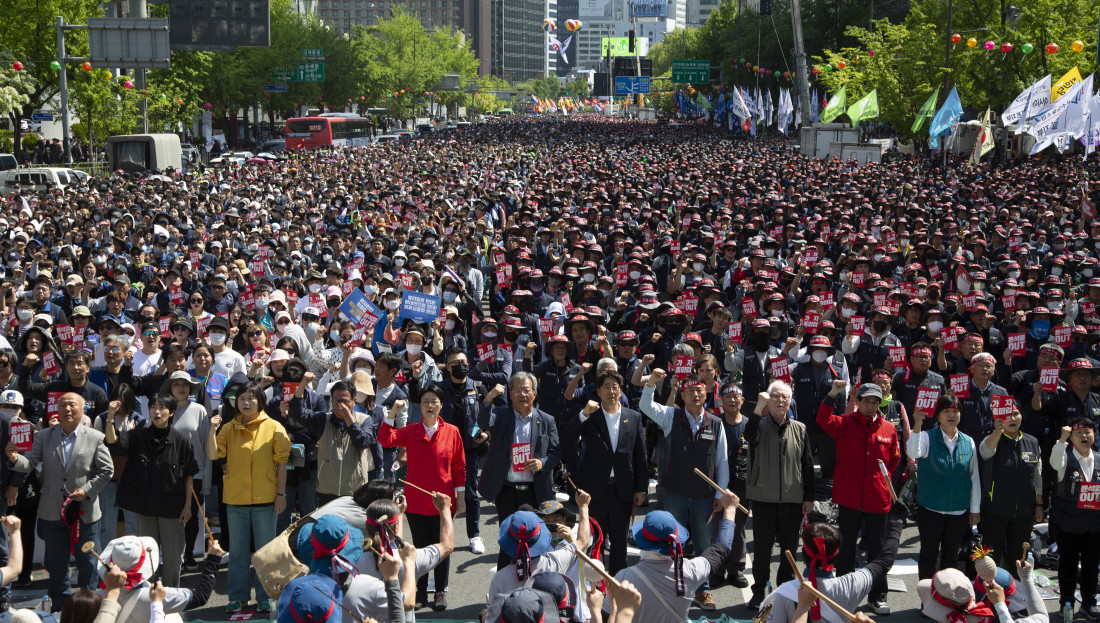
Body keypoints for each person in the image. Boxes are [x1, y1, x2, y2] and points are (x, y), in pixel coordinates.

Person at [6, 392, 113, 612]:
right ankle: (59, 608)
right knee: (56, 564)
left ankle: (89, 607)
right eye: (62, 405)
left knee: (87, 564)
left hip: (85, 512)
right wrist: (15, 459)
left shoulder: (94, 437)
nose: (67, 409)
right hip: (51, 509)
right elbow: (30, 463)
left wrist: (87, 490)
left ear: (82, 410)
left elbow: (107, 470)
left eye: (72, 405)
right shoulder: (44, 436)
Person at [639, 369, 729, 609]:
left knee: (702, 545)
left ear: (706, 393)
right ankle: (669, 587)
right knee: (671, 543)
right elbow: (646, 406)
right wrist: (651, 383)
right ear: (683, 395)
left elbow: (722, 461)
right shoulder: (671, 416)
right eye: (690, 390)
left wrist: (720, 494)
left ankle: (703, 591)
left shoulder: (716, 423)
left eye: (699, 390)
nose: (695, 394)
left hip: (704, 497)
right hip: (675, 493)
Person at [378, 385, 465, 611]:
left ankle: (440, 592)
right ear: (420, 405)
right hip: (416, 500)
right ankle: (419, 590)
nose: (429, 406)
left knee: (443, 548)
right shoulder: (410, 431)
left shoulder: (452, 432)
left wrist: (461, 497)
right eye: (425, 401)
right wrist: (393, 413)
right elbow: (385, 440)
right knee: (418, 546)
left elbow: (459, 467)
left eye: (434, 401)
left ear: (441, 405)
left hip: (444, 502)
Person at [816, 381, 900, 614]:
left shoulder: (888, 429)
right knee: (846, 548)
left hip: (877, 496)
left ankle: (877, 596)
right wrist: (832, 393)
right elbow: (822, 420)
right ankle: (843, 595)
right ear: (858, 402)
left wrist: (882, 480)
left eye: (875, 402)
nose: (871, 406)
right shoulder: (844, 423)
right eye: (867, 401)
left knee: (877, 548)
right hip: (850, 496)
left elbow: (894, 459)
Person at [207, 379, 291, 614]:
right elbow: (214, 454)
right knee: (238, 553)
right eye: (242, 398)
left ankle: (266, 597)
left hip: (266, 499)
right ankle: (237, 597)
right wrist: (212, 429)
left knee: (265, 553)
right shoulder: (228, 428)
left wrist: (281, 494)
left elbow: (281, 463)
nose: (246, 402)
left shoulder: (274, 426)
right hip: (235, 500)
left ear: (260, 401)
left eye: (251, 398)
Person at [760, 501, 906, 623]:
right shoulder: (851, 585)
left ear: (804, 554)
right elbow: (885, 560)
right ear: (836, 556)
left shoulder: (786, 592)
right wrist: (896, 523)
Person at [108, 394, 199, 588]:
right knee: (146, 559)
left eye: (162, 408)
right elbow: (113, 441)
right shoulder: (138, 437)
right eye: (153, 407)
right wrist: (110, 417)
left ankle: (171, 598)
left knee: (173, 559)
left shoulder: (182, 441)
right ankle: (147, 598)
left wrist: (188, 506)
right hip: (145, 509)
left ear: (171, 412)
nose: (157, 412)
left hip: (172, 510)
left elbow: (189, 475)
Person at [612, 488, 741, 623]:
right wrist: (730, 509)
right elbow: (722, 548)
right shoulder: (691, 571)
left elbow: (607, 617)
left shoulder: (624, 577)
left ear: (642, 540)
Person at [744, 380, 815, 608]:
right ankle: (759, 590)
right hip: (763, 497)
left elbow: (807, 465)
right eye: (775, 396)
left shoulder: (800, 429)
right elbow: (749, 436)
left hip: (792, 499)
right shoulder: (759, 423)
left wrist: (809, 497)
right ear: (768, 399)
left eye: (785, 397)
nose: (780, 401)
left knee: (788, 548)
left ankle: (785, 588)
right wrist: (758, 408)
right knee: (763, 549)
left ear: (790, 400)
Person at [479, 372, 561, 569]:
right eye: (517, 390)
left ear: (534, 393)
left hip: (536, 491)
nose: (522, 395)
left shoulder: (546, 419)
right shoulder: (501, 415)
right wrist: (488, 399)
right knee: (508, 541)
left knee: (536, 540)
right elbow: (482, 424)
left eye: (526, 390)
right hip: (507, 490)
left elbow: (556, 452)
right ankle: (503, 588)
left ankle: (533, 586)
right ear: (510, 394)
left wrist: (543, 463)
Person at [574, 370, 647, 575]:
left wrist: (641, 488)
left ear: (620, 391)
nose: (611, 391)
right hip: (594, 490)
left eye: (615, 387)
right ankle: (595, 586)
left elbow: (640, 456)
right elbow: (567, 437)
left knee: (619, 543)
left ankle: (616, 584)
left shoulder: (633, 417)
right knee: (595, 541)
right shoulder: (590, 416)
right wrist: (583, 414)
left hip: (622, 491)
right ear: (598, 391)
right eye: (606, 386)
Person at [907, 392, 980, 579]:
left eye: (955, 411)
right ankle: (927, 602)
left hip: (958, 511)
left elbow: (974, 478)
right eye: (946, 411)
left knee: (951, 558)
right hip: (931, 509)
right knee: (928, 556)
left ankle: (948, 600)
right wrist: (917, 424)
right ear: (938, 415)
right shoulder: (926, 436)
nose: (951, 415)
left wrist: (974, 509)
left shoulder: (968, 441)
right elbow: (912, 451)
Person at [978, 404, 1043, 572]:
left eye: (1016, 414)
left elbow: (1037, 475)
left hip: (1024, 512)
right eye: (1007, 415)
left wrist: (1039, 504)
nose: (1012, 418)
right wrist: (998, 431)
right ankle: (986, 594)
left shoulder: (1032, 441)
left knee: (1018, 559)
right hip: (995, 510)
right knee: (989, 559)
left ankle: (1016, 594)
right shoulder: (991, 439)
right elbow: (985, 453)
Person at [1050, 417, 1100, 621]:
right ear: (1071, 437)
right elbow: (1054, 462)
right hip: (1068, 524)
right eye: (1078, 433)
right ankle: (1066, 603)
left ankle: (1089, 603)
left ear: (1094, 435)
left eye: (1087, 432)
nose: (1084, 436)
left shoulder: (1098, 457)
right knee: (1068, 566)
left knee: (1091, 566)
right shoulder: (1065, 457)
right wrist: (1061, 440)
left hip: (1094, 525)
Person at [315, 377, 376, 506]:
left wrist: (349, 419)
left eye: (344, 401)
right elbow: (299, 414)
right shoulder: (323, 420)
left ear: (354, 401)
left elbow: (363, 442)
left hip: (355, 490)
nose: (340, 405)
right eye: (336, 401)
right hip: (327, 490)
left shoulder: (365, 420)